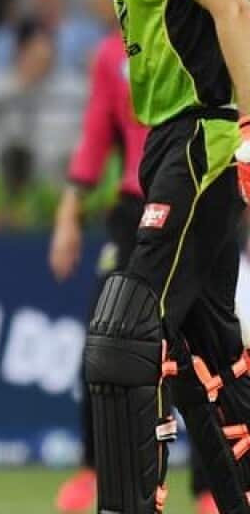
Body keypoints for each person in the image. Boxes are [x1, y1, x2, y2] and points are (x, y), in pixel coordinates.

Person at [31, 0, 250, 511]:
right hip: (177, 138)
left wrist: (248, 127)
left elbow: (232, 4)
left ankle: (132, 502)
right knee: (208, 346)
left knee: (128, 326)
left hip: (199, 134)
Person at [47, 34, 215, 514]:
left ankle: (210, 486)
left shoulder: (201, 28)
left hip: (198, 198)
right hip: (133, 206)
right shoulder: (109, 53)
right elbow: (97, 129)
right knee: (105, 337)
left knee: (204, 345)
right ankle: (94, 466)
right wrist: (69, 211)